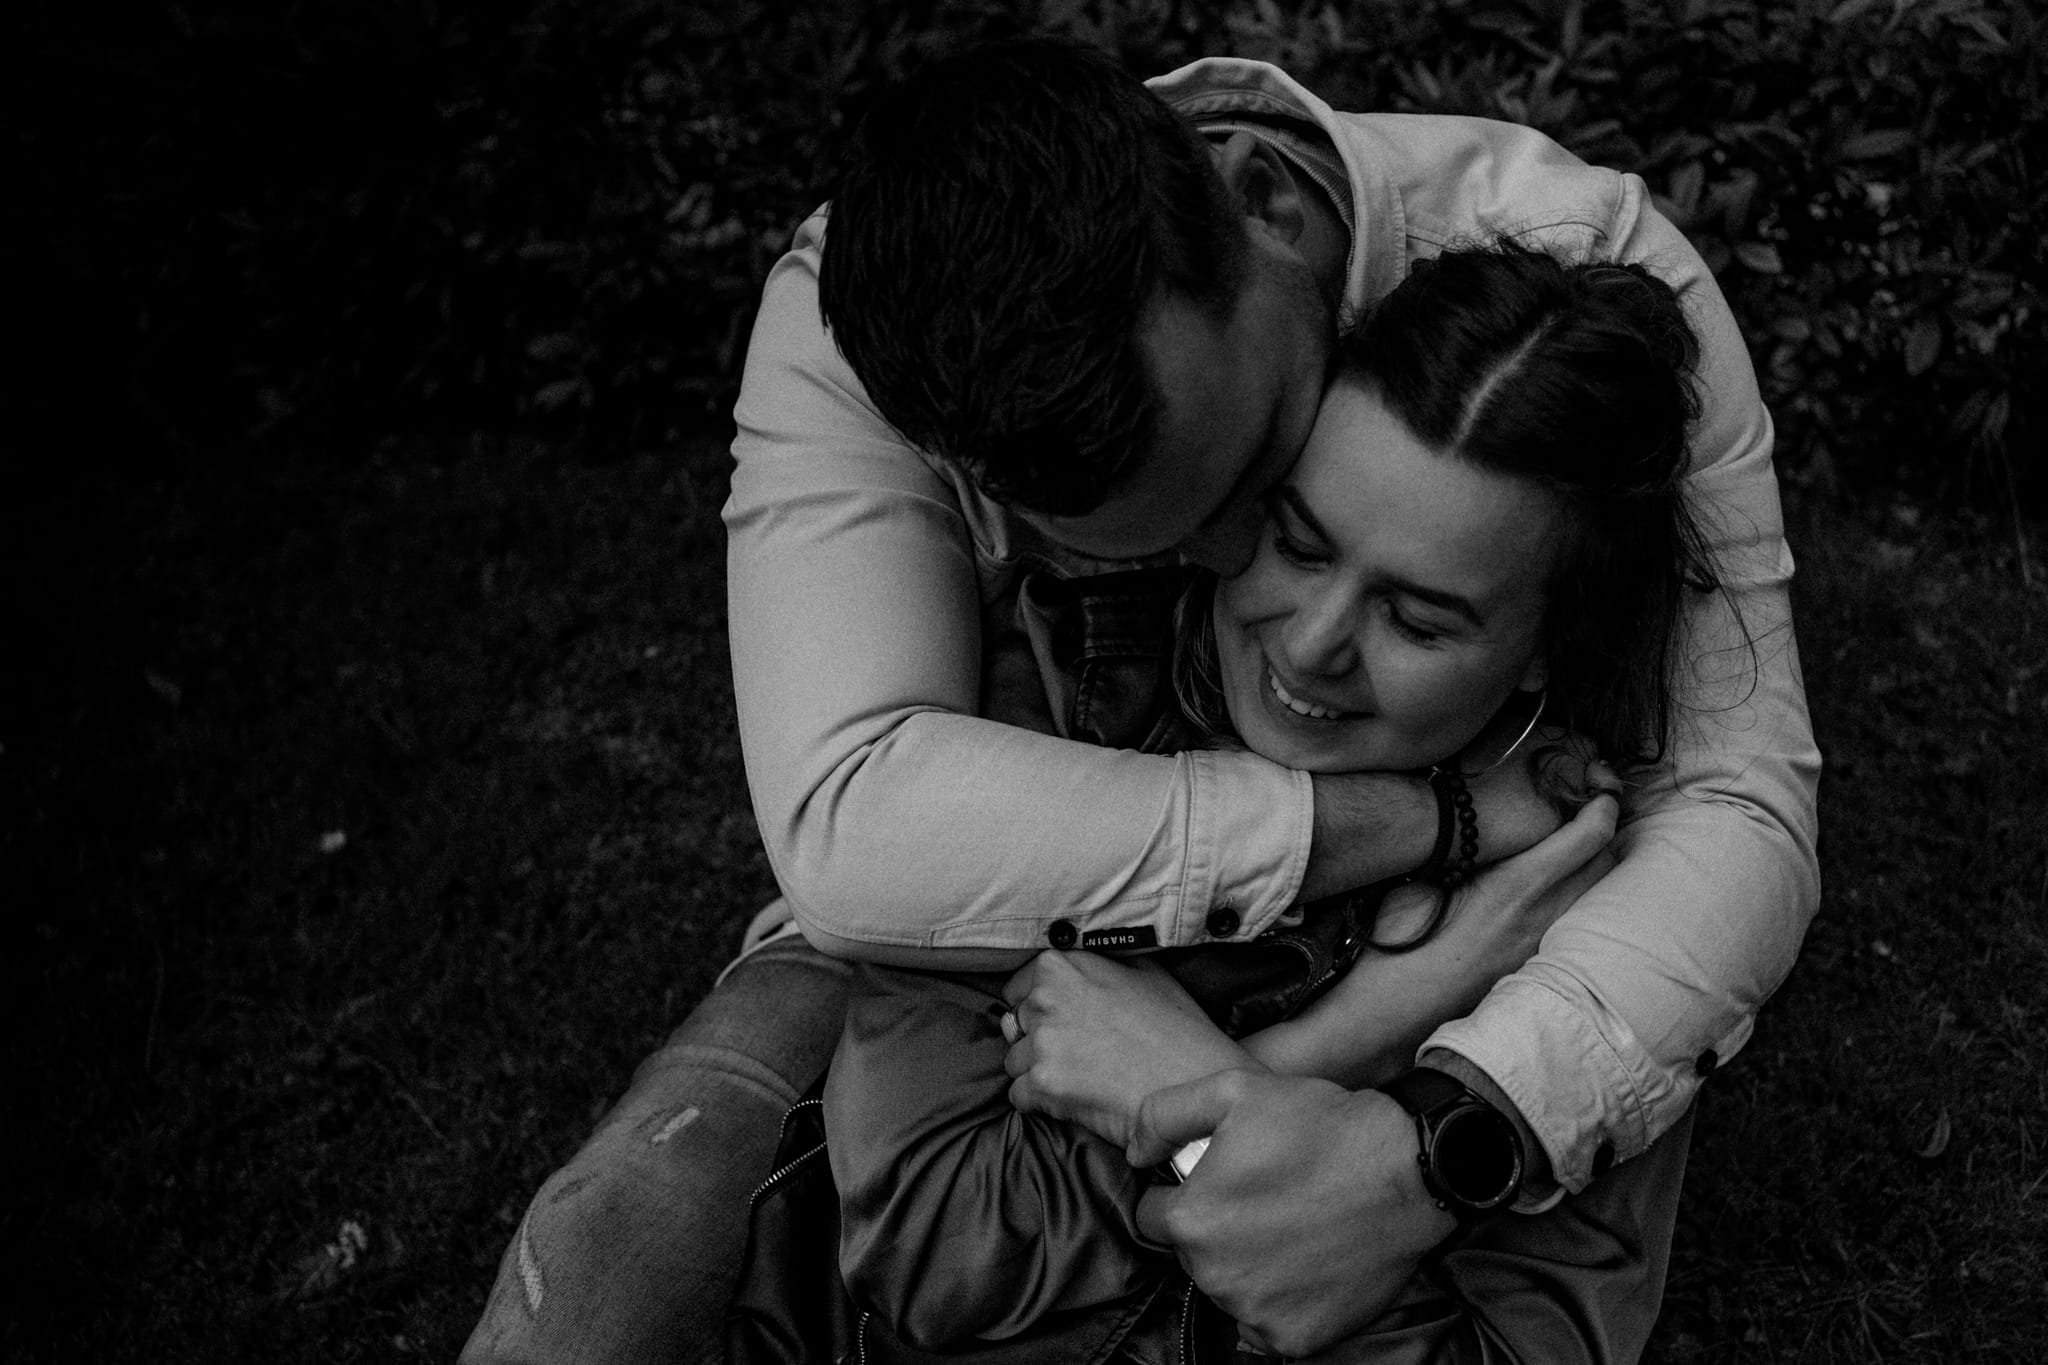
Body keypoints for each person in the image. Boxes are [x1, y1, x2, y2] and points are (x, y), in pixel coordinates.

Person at [460, 39, 1819, 1365]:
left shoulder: (1583, 270)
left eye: (1252, 489)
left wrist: (1422, 1135)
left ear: (1271, 218)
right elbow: (864, 850)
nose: (1272, 617)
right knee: (602, 1259)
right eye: (1290, 534)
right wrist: (1403, 904)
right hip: (969, 903)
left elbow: (1736, 802)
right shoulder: (888, 342)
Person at [819, 244, 1721, 1362]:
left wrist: (1205, 1093)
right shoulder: (1061, 680)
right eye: (1297, 542)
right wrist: (1364, 1032)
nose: (1307, 643)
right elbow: (933, 1241)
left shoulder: (1592, 920)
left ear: (1543, 653)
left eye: (1420, 622)